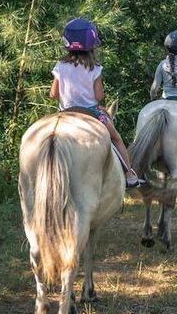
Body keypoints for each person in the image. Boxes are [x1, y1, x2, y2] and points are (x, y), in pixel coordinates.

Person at [50, 17, 144, 188]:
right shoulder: (95, 68)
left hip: (64, 113)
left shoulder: (60, 66)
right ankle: (129, 175)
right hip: (91, 112)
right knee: (116, 138)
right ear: (91, 44)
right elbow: (99, 97)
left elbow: (53, 94)